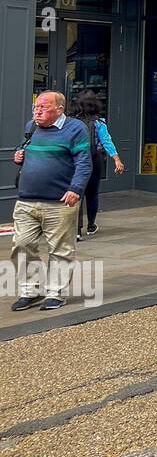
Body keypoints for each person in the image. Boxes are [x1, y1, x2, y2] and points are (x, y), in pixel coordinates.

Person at [10, 91, 92, 311]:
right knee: (22, 245)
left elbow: (84, 163)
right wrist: (18, 155)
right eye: (36, 107)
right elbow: (27, 150)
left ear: (59, 109)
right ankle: (31, 291)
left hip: (60, 201)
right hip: (27, 199)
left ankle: (56, 293)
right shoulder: (32, 127)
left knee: (60, 249)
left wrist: (75, 189)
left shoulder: (75, 129)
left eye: (44, 107)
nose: (38, 111)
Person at [71, 95, 125, 241]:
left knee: (77, 192)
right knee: (92, 193)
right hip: (95, 160)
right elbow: (107, 141)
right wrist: (117, 159)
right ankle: (91, 225)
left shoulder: (71, 123)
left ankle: (76, 230)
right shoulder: (99, 123)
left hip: (76, 160)